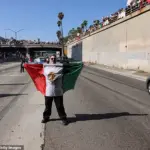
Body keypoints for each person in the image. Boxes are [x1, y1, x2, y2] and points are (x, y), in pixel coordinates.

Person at [41, 55, 68, 125]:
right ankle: (46, 117)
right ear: (49, 59)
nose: (53, 59)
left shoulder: (60, 67)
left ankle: (63, 118)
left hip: (58, 90)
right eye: (52, 58)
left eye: (54, 58)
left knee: (60, 106)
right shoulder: (46, 68)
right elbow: (46, 74)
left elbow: (69, 69)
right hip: (49, 91)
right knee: (47, 106)